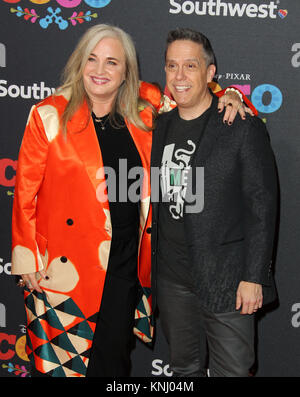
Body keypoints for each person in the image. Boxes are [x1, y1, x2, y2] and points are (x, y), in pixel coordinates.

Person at [11, 24, 248, 377]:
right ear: (79, 64)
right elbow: (25, 191)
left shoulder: (145, 106)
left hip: (124, 263)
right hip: (62, 271)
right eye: (92, 60)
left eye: (112, 62)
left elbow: (196, 95)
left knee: (113, 361)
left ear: (127, 72)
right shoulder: (49, 114)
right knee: (62, 368)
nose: (100, 70)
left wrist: (230, 94)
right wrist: (25, 257)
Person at [151, 28, 278, 377]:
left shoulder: (239, 126)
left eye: (190, 66)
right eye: (171, 66)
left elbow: (261, 207)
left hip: (228, 281)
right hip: (172, 280)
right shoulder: (158, 125)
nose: (179, 76)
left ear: (209, 74)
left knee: (233, 372)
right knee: (184, 370)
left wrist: (254, 277)